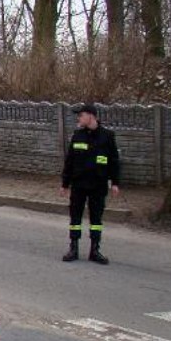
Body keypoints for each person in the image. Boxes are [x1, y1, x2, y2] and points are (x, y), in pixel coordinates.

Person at [61, 103, 121, 264]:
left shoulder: (107, 136)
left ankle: (95, 250)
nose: (79, 118)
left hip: (98, 184)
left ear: (91, 116)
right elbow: (70, 161)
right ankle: (73, 248)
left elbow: (114, 161)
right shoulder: (77, 135)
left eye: (81, 115)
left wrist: (115, 182)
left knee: (96, 219)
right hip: (79, 184)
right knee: (75, 218)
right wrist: (65, 183)